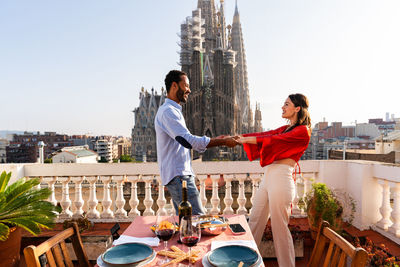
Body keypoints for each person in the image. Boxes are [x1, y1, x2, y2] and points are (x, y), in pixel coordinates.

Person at [238, 93, 311, 267]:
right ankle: (246, 263)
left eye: (286, 104)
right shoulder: (286, 128)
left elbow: (274, 140)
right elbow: (267, 134)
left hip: (282, 177)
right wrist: (240, 138)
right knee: (254, 221)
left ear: (297, 108)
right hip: (269, 176)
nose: (282, 107)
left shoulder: (303, 131)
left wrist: (245, 139)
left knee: (280, 229)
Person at [155, 70, 240, 215]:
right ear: (174, 86)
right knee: (196, 221)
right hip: (178, 175)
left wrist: (218, 139)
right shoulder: (168, 112)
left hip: (179, 174)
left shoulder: (172, 110)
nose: (189, 90)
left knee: (185, 223)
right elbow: (187, 141)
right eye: (186, 86)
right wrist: (223, 142)